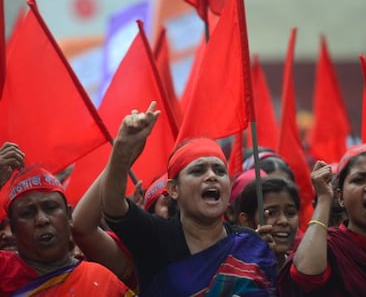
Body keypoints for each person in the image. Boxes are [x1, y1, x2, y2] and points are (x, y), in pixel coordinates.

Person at [100, 102, 278, 296]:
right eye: (198, 170)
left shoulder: (250, 243)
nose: (212, 176)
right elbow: (112, 205)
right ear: (174, 189)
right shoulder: (154, 236)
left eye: (219, 170)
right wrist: (122, 150)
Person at [278, 143, 366, 296]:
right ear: (341, 197)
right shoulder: (328, 246)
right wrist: (324, 198)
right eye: (359, 180)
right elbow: (305, 275)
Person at [0, 165, 136, 296]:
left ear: (69, 216)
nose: (42, 220)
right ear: (13, 228)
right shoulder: (4, 272)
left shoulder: (102, 280)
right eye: (27, 213)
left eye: (50, 207)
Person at [238, 177, 300, 272]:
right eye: (271, 213)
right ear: (246, 221)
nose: (283, 221)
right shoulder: (235, 270)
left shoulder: (302, 268)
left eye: (290, 213)